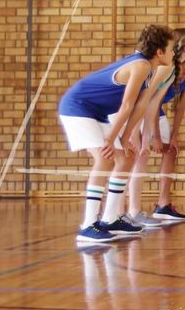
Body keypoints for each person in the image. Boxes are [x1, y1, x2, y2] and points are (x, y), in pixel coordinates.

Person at [59, 25, 174, 242]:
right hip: (77, 106)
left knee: (126, 157)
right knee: (105, 156)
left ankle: (111, 219)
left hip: (96, 111)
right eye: (170, 49)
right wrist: (111, 140)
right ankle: (88, 225)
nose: (173, 53)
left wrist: (124, 138)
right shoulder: (140, 66)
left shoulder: (148, 68)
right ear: (159, 52)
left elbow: (140, 106)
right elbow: (126, 106)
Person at [126, 28, 185, 225]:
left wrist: (173, 135)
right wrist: (138, 132)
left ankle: (159, 205)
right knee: (135, 155)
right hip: (136, 111)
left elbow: (177, 105)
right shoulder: (165, 68)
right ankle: (126, 212)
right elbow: (144, 99)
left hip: (151, 111)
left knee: (165, 150)